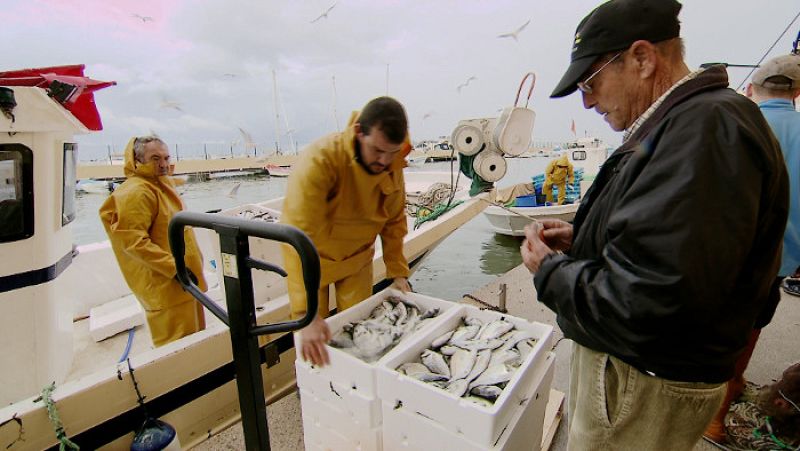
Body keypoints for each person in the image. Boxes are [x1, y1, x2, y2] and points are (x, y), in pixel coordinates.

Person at [520, 0, 789, 449]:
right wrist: (586, 236)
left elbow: (650, 303)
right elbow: (678, 246)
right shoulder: (691, 122)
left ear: (642, 59)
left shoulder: (704, 131)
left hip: (641, 385)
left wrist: (549, 271)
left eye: (590, 82)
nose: (586, 102)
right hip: (653, 376)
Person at [703, 53, 800, 442]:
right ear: (797, 92)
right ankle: (736, 381)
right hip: (780, 259)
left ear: (751, 89)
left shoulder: (738, 123)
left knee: (719, 332)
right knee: (752, 327)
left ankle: (715, 416)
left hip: (729, 254)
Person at [281, 96, 412, 367]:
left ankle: (351, 383)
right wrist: (307, 314)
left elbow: (394, 223)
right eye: (377, 150)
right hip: (312, 260)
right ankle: (313, 381)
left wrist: (398, 272)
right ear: (358, 132)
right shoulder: (321, 160)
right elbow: (297, 236)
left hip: (357, 259)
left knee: (357, 331)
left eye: (392, 152)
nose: (384, 161)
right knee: (311, 336)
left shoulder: (392, 161)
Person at [99, 136, 207, 347]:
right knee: (177, 349)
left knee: (195, 341)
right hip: (166, 286)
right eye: (155, 158)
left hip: (184, 283)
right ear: (138, 161)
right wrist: (175, 269)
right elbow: (133, 242)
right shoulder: (136, 192)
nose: (163, 164)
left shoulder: (160, 186)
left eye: (166, 157)